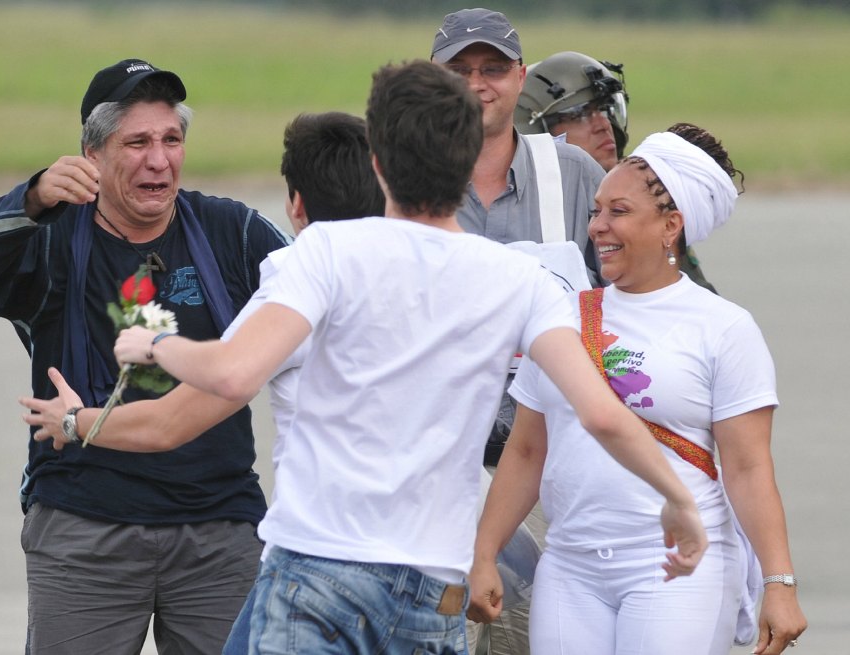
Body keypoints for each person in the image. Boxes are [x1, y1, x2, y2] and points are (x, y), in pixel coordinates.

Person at [112, 60, 707, 655]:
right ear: (469, 157)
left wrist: (155, 343)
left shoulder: (328, 251)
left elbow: (234, 372)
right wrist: (678, 500)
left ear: (380, 163)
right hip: (433, 593)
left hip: (320, 575)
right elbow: (600, 413)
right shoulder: (519, 281)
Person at [0, 58, 291, 654]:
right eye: (137, 143)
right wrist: (31, 197)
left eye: (171, 140)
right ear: (91, 154)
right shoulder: (52, 237)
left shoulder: (230, 231)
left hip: (220, 531)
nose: (159, 160)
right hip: (83, 530)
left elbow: (323, 288)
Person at [18, 110, 385, 654]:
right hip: (429, 561)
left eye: (171, 139)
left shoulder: (297, 290)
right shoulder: (455, 276)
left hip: (323, 557)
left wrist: (80, 415)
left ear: (297, 205)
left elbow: (182, 414)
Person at [469, 123, 808, 655]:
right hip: (570, 569)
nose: (597, 226)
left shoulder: (723, 327)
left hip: (677, 570)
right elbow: (529, 449)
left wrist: (779, 584)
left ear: (671, 225)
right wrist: (484, 553)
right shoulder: (560, 317)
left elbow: (747, 468)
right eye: (596, 209)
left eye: (618, 212)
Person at [430, 10, 607, 652]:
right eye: (460, 71)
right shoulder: (399, 179)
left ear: (521, 77)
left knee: (519, 631)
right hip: (435, 457)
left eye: (494, 69)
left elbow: (627, 302)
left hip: (549, 456)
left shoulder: (576, 176)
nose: (478, 84)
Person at [515, 50, 717, 292]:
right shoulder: (519, 207)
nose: (603, 125)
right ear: (535, 129)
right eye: (578, 115)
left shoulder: (646, 202)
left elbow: (690, 300)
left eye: (604, 110)